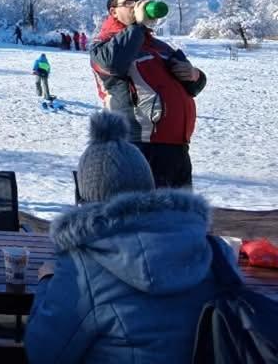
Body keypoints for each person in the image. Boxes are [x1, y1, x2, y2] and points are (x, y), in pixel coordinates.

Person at [25, 111, 226, 364]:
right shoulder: (210, 249)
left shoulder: (83, 266)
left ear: (85, 201)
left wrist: (48, 283)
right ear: (149, 189)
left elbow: (43, 353)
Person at [91, 0, 206, 188]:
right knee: (148, 215)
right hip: (139, 145)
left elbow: (192, 87)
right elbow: (112, 63)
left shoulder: (161, 47)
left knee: (182, 216)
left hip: (177, 147)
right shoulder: (103, 46)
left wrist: (195, 74)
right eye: (129, 2)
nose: (137, 5)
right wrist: (137, 27)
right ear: (113, 11)